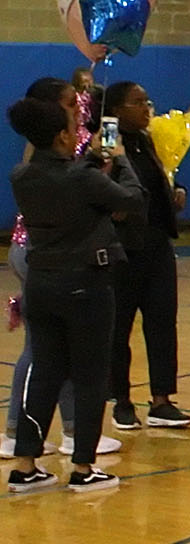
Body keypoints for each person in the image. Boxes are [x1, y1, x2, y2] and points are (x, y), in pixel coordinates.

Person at [7, 95, 142, 493]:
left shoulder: (22, 176)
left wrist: (88, 166)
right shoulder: (82, 178)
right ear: (64, 136)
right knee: (89, 374)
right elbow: (131, 200)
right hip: (85, 284)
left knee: (45, 371)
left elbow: (67, 181)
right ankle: (83, 466)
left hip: (42, 284)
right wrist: (119, 159)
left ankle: (26, 463)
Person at [95, 82, 187, 433]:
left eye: (147, 101)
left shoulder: (146, 140)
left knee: (163, 322)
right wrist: (111, 205)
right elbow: (98, 183)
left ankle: (162, 399)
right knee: (119, 328)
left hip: (157, 243)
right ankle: (121, 401)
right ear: (117, 110)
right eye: (138, 103)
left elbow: (154, 181)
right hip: (123, 248)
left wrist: (174, 193)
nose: (147, 107)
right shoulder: (107, 141)